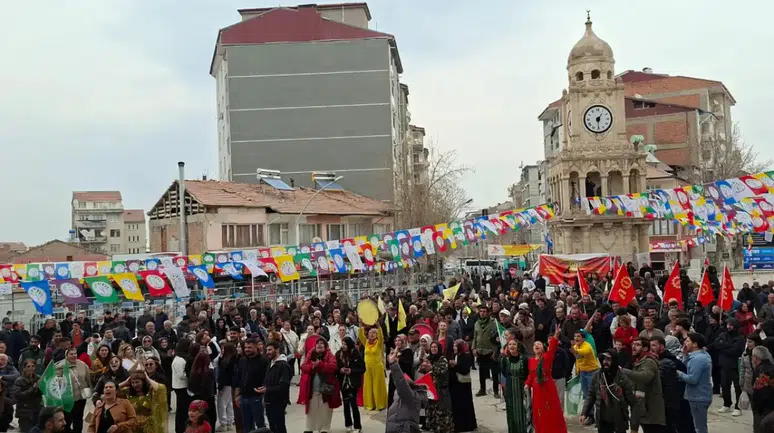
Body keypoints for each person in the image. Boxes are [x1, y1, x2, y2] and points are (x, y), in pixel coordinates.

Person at [579, 350, 637, 433]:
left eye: (609, 359)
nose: (605, 362)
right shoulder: (597, 375)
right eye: (604, 359)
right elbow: (591, 395)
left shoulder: (622, 377)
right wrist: (584, 413)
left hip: (619, 420)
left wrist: (634, 427)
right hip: (603, 420)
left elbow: (633, 402)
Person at [525, 327, 567, 433]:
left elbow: (552, 347)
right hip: (537, 390)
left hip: (547, 388)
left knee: (550, 412)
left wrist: (556, 336)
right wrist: (527, 384)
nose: (536, 346)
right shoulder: (531, 361)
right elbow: (531, 375)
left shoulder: (546, 357)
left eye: (539, 344)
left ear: (543, 348)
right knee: (539, 412)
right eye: (534, 345)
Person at [620, 337, 665, 432]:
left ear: (645, 348)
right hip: (642, 406)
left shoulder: (649, 361)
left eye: (637, 345)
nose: (633, 347)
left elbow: (644, 377)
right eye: (633, 344)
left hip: (651, 409)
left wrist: (623, 371)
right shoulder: (638, 361)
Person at [299, 338, 341, 433]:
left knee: (325, 410)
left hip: (326, 387)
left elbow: (333, 367)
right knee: (311, 410)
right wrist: (312, 366)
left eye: (322, 343)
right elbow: (303, 367)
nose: (319, 345)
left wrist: (320, 364)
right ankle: (310, 428)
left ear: (325, 346)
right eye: (318, 343)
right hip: (312, 387)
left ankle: (324, 429)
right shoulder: (310, 354)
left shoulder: (330, 355)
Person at [385, 347, 428, 433]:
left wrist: (393, 364)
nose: (405, 376)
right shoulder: (400, 396)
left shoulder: (412, 396)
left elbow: (400, 383)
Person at [678, 332, 713, 433]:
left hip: (698, 397)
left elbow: (693, 379)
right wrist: (685, 354)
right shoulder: (700, 355)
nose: (685, 343)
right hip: (700, 395)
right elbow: (689, 367)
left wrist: (679, 374)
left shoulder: (698, 358)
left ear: (695, 344)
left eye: (688, 341)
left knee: (699, 428)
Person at [710, 317, 745, 415]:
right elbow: (716, 344)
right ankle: (726, 404)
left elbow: (735, 351)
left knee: (738, 387)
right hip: (723, 364)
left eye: (731, 325)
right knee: (725, 385)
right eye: (728, 324)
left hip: (734, 366)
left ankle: (738, 407)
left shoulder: (740, 338)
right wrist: (727, 346)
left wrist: (723, 346)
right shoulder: (722, 334)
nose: (728, 327)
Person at [234, 337, 269, 432]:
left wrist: (264, 395)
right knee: (246, 425)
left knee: (260, 424)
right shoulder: (242, 360)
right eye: (245, 347)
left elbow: (267, 380)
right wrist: (237, 396)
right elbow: (238, 378)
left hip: (257, 397)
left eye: (249, 347)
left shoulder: (264, 361)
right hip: (243, 397)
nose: (246, 350)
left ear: (256, 347)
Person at [56, 347, 92, 433]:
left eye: (75, 353)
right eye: (71, 354)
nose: (73, 356)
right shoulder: (60, 365)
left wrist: (91, 390)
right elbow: (55, 379)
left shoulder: (82, 365)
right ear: (66, 355)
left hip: (80, 398)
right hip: (67, 398)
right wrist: (64, 380)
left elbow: (88, 379)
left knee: (79, 419)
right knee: (67, 420)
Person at [336, 336, 365, 433]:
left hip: (353, 382)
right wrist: (340, 370)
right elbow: (335, 368)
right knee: (346, 404)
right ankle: (348, 424)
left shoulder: (355, 354)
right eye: (342, 344)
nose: (343, 346)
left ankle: (357, 426)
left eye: (345, 344)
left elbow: (362, 368)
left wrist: (351, 371)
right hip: (343, 382)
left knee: (353, 404)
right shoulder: (338, 354)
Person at [500, 338, 528, 433]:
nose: (511, 346)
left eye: (514, 344)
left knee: (522, 410)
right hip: (510, 388)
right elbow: (504, 372)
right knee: (511, 410)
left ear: (518, 347)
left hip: (521, 388)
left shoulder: (524, 359)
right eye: (510, 344)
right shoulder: (505, 359)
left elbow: (527, 373)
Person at [425, 341, 454, 433]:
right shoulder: (428, 358)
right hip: (431, 389)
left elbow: (442, 371)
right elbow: (421, 369)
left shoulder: (443, 359)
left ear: (439, 349)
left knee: (442, 412)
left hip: (441, 390)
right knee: (431, 411)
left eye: (435, 347)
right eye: (432, 347)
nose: (433, 349)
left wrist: (431, 368)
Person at [264, 340, 292, 433]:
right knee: (272, 427)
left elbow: (283, 385)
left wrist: (267, 389)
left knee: (279, 426)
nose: (268, 352)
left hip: (278, 401)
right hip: (269, 400)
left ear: (277, 350)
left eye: (270, 350)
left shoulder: (283, 365)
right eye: (267, 350)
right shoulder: (270, 364)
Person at [358, 325, 388, 410]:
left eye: (374, 333)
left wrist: (379, 327)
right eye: (371, 332)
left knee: (377, 386)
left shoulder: (379, 343)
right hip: (367, 368)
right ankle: (370, 404)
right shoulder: (366, 342)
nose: (372, 334)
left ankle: (380, 404)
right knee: (368, 386)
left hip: (377, 367)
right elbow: (361, 336)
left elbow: (382, 337)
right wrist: (360, 325)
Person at [449, 338, 476, 432]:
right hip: (455, 384)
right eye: (453, 346)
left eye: (456, 346)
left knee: (465, 405)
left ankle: (467, 425)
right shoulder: (454, 355)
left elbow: (465, 369)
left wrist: (456, 365)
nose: (454, 348)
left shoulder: (467, 356)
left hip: (463, 385)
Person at [472, 305, 500, 397]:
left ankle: (496, 391)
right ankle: (482, 389)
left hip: (491, 351)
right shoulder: (477, 323)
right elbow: (475, 337)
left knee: (494, 372)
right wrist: (474, 348)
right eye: (481, 311)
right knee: (482, 371)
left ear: (488, 313)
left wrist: (495, 351)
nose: (482, 313)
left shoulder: (493, 323)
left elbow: (497, 337)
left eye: (484, 311)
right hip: (480, 350)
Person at [12, 358, 43, 432]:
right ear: (24, 368)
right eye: (28, 366)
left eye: (33, 366)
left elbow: (42, 393)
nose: (31, 368)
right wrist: (33, 388)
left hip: (37, 411)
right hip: (24, 413)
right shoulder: (19, 380)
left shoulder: (39, 378)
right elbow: (19, 395)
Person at [188, 351, 217, 426]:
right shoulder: (209, 372)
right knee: (211, 420)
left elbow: (190, 388)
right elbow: (211, 388)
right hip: (208, 400)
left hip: (196, 399)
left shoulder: (192, 372)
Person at [751, 346, 774, 433]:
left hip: (764, 409)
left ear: (756, 358)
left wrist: (757, 407)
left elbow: (759, 392)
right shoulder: (772, 367)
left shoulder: (760, 371)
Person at [388, 334, 414, 408]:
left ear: (404, 341)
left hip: (403, 378)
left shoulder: (408, 351)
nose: (397, 342)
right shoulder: (394, 352)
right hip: (394, 377)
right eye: (396, 341)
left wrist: (398, 359)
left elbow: (408, 365)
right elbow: (390, 363)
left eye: (399, 340)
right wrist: (394, 353)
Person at [172, 339, 192, 433]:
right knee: (182, 410)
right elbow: (181, 375)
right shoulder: (179, 360)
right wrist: (191, 375)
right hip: (181, 387)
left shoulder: (182, 358)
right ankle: (180, 429)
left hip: (181, 386)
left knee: (183, 409)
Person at [216, 342, 237, 430]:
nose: (222, 350)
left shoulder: (226, 361)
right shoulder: (234, 359)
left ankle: (223, 423)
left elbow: (223, 375)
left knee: (221, 403)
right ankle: (230, 422)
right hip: (231, 385)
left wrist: (220, 386)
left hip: (225, 384)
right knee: (229, 403)